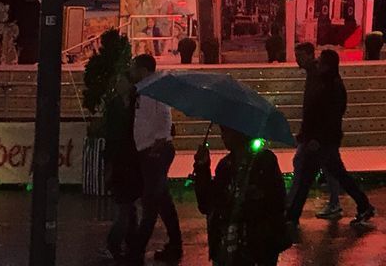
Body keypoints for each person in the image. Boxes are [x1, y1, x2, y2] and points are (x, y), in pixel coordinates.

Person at [194, 125, 290, 266]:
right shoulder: (225, 166)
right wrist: (202, 167)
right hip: (228, 247)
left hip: (258, 247)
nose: (223, 137)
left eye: (226, 131)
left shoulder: (264, 162)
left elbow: (277, 201)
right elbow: (207, 204)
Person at [309, 49, 376, 226]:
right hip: (328, 137)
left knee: (338, 173)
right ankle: (358, 204)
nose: (318, 64)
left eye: (321, 61)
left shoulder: (332, 87)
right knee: (337, 173)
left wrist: (319, 137)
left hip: (327, 139)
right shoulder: (330, 84)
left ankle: (362, 204)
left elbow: (330, 115)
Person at [130, 54, 182, 263]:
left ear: (143, 70)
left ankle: (138, 247)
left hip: (155, 150)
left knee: (151, 200)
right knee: (161, 200)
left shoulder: (154, 89)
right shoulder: (145, 89)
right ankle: (175, 244)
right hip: (150, 149)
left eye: (134, 68)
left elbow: (163, 114)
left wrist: (160, 140)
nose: (131, 71)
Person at [285, 44, 340, 227]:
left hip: (318, 134)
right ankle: (336, 202)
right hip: (319, 134)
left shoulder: (319, 76)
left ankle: (291, 209)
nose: (298, 60)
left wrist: (310, 134)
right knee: (330, 168)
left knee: (303, 167)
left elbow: (317, 107)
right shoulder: (314, 74)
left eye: (300, 56)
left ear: (310, 55)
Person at [102, 73, 140, 262]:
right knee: (125, 206)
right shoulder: (115, 106)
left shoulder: (136, 103)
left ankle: (128, 242)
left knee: (128, 206)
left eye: (121, 81)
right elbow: (110, 134)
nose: (118, 84)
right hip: (120, 160)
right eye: (117, 81)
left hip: (131, 159)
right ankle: (115, 242)